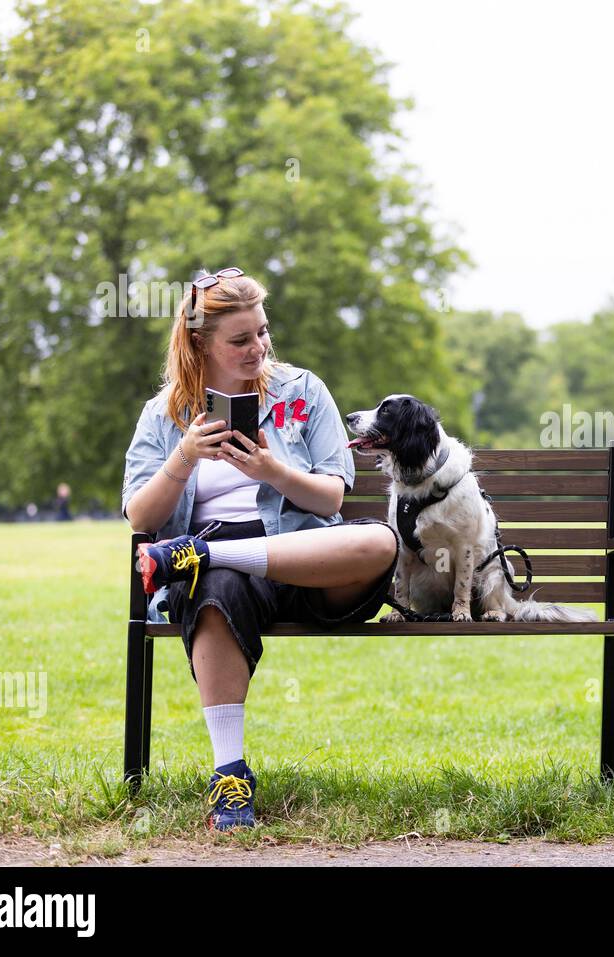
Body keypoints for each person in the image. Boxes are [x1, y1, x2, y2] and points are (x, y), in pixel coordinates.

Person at [121, 267, 398, 831]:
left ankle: (210, 554)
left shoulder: (301, 391)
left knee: (378, 540)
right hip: (213, 580)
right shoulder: (166, 414)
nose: (259, 348)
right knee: (215, 586)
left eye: (263, 333)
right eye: (241, 339)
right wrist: (185, 457)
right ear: (201, 342)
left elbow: (329, 497)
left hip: (300, 559)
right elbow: (140, 516)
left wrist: (273, 469)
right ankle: (230, 774)